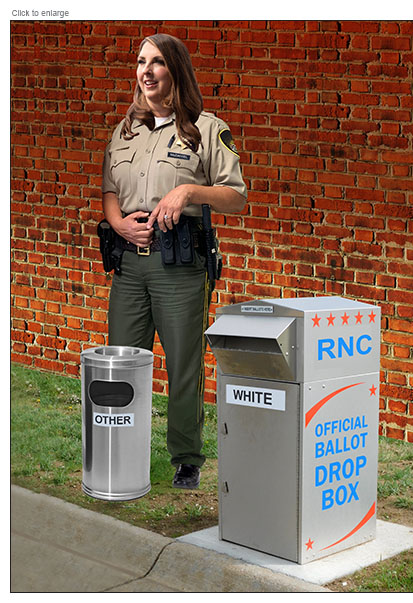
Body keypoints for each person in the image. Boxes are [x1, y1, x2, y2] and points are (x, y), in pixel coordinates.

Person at [101, 33, 247, 489]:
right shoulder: (123, 131)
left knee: (183, 363)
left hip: (179, 266)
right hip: (128, 265)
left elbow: (235, 195)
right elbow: (109, 191)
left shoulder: (206, 128)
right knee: (120, 362)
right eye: (141, 62)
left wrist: (187, 191)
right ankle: (118, 450)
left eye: (157, 62)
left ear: (175, 71)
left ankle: (186, 457)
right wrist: (119, 223)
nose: (146, 71)